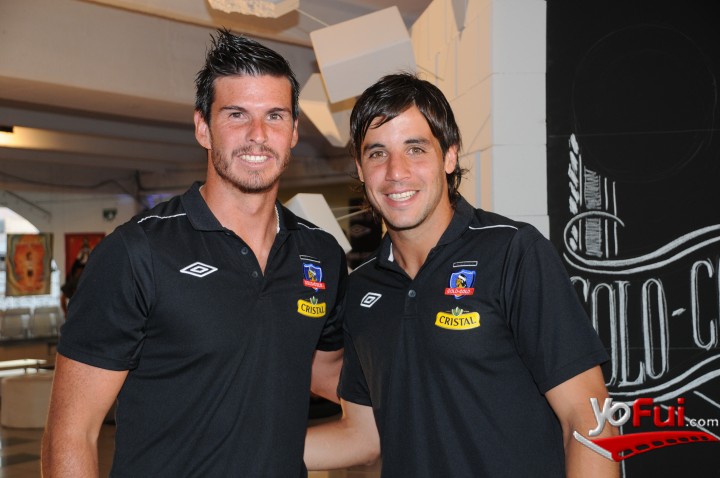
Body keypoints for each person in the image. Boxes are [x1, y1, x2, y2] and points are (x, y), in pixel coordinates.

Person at [42, 29, 347, 477]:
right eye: (237, 115)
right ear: (203, 127)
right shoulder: (137, 252)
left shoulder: (320, 253)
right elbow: (71, 435)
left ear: (295, 131)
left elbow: (324, 368)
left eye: (275, 116)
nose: (258, 135)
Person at [304, 73, 619, 477]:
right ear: (361, 170)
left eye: (415, 149)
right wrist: (236, 450)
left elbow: (588, 418)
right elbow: (363, 438)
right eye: (377, 154)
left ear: (449, 156)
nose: (396, 171)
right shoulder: (363, 287)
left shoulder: (512, 252)